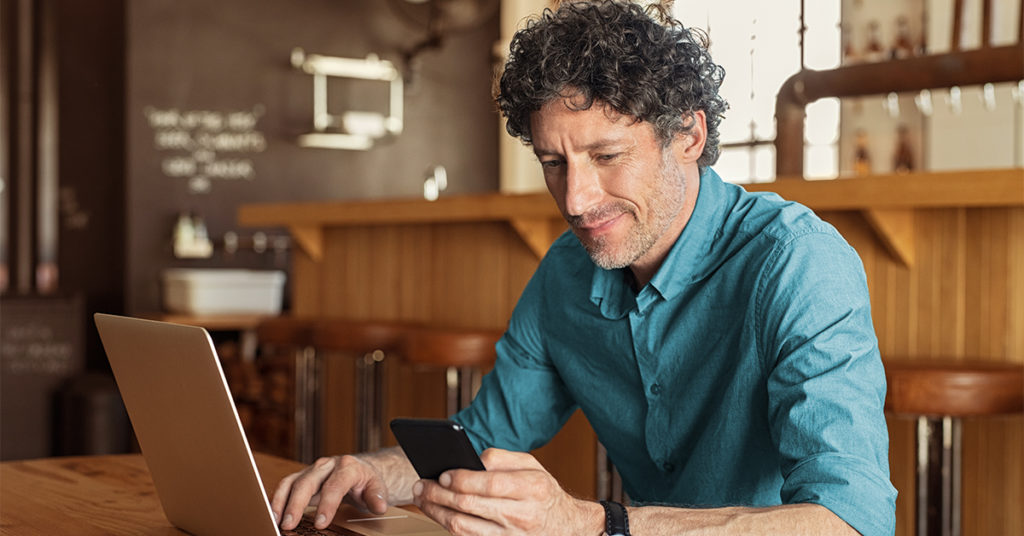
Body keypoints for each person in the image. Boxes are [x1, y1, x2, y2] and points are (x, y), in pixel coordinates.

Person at [273, 1, 897, 534]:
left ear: (689, 135)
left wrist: (591, 524)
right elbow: (483, 435)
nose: (575, 200)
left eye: (607, 155)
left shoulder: (797, 263)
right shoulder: (567, 274)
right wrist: (370, 470)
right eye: (554, 162)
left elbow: (851, 520)